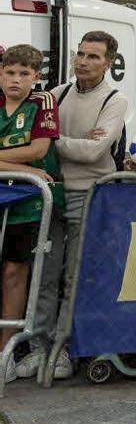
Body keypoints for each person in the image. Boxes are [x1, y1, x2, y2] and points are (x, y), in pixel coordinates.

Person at [28, 32, 125, 381]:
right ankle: (38, 348)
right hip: (51, 192)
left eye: (93, 56)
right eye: (80, 54)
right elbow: (38, 141)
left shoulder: (114, 99)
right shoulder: (58, 94)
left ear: (108, 62)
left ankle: (64, 348)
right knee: (44, 273)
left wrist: (50, 140)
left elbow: (93, 153)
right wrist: (67, 143)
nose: (83, 61)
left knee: (74, 275)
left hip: (89, 194)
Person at [0, 43, 63, 376]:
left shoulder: (42, 102)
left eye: (24, 73)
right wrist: (22, 167)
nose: (15, 80)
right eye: (9, 72)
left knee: (14, 273)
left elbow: (39, 148)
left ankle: (5, 354)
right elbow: (30, 159)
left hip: (25, 206)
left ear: (36, 77)